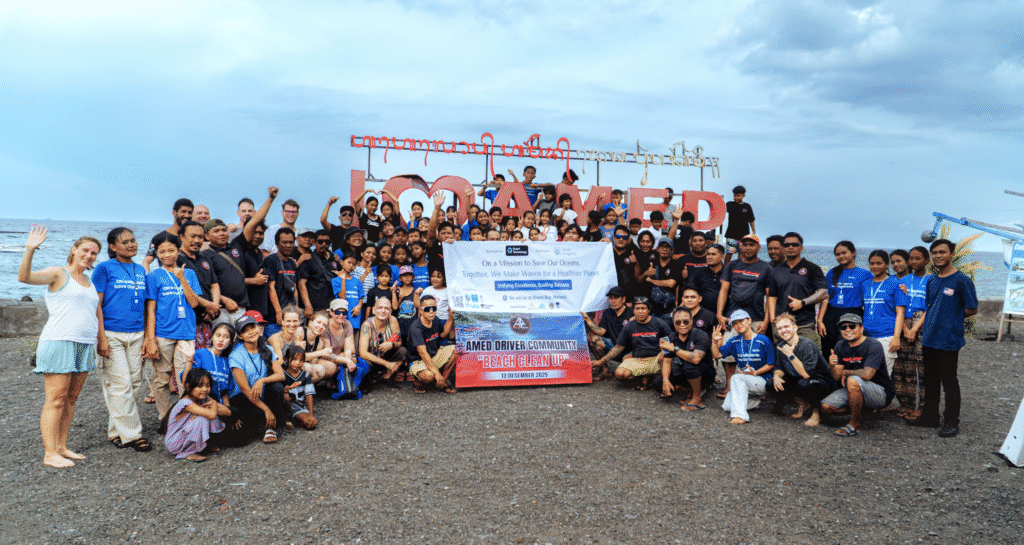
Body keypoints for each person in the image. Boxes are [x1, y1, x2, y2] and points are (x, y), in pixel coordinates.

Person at [19, 226, 102, 468]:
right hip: (59, 341)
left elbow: (93, 311)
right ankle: (49, 453)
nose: (89, 255)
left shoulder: (88, 280)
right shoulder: (58, 273)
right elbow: (24, 278)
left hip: (84, 344)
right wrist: (30, 249)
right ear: (74, 250)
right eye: (85, 250)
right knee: (55, 399)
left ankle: (61, 447)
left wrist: (101, 339)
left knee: (71, 399)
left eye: (94, 253)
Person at [907, 239, 978, 438]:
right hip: (929, 337)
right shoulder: (932, 280)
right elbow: (930, 307)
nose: (938, 256)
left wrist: (951, 318)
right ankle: (930, 417)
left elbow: (972, 308)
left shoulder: (961, 280)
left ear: (952, 254)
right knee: (930, 380)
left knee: (949, 380)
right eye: (935, 252)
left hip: (948, 339)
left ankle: (951, 421)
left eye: (942, 252)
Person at [93, 227, 152, 452]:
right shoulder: (104, 268)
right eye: (125, 242)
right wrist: (101, 338)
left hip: (136, 333)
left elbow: (146, 305)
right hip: (111, 333)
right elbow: (96, 305)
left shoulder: (140, 269)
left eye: (133, 240)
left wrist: (148, 337)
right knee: (121, 385)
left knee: (134, 384)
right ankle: (133, 435)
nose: (131, 245)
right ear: (112, 247)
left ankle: (115, 431)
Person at [144, 232, 202, 423]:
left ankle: (186, 415)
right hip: (163, 333)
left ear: (178, 251)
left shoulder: (190, 274)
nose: (166, 255)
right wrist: (151, 339)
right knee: (161, 379)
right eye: (162, 252)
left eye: (171, 250)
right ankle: (164, 417)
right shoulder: (154, 276)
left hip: (186, 333)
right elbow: (151, 310)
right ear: (157, 254)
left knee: (185, 378)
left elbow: (194, 303)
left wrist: (182, 279)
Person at [822, 313, 896, 437]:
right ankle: (866, 412)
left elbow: (867, 374)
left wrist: (846, 372)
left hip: (880, 392)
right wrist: (832, 366)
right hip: (854, 389)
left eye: (852, 326)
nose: (848, 330)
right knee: (826, 407)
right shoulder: (840, 345)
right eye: (843, 327)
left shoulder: (873, 345)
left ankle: (854, 424)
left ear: (861, 328)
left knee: (852, 380)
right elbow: (836, 377)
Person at [228, 314, 286, 444]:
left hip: (261, 393)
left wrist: (261, 380)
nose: (251, 332)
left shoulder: (268, 348)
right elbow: (245, 389)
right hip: (242, 397)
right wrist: (266, 409)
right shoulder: (236, 355)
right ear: (240, 336)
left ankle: (270, 428)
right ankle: (267, 418)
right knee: (243, 438)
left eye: (253, 327)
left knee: (277, 387)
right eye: (245, 330)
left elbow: (281, 375)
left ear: (258, 328)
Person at [770, 313, 835, 426]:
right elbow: (779, 368)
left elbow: (806, 374)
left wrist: (790, 355)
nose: (783, 330)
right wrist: (776, 376)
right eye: (780, 328)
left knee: (805, 383)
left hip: (820, 382)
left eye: (786, 326)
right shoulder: (781, 346)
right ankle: (802, 403)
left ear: (795, 328)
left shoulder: (807, 345)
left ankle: (817, 412)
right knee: (771, 384)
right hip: (799, 379)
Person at [591, 297, 672, 387]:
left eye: (643, 308)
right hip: (638, 360)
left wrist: (663, 350)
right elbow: (618, 347)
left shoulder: (659, 323)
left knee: (665, 353)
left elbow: (672, 340)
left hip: (657, 359)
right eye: (637, 309)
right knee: (619, 374)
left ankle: (657, 378)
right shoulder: (629, 326)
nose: (640, 311)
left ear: (649, 310)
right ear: (633, 311)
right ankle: (646, 378)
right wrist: (600, 362)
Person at [712, 310, 775, 424]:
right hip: (747, 381)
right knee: (727, 406)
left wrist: (754, 373)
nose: (738, 325)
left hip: (764, 380)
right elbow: (716, 355)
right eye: (735, 323)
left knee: (736, 378)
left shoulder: (763, 340)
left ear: (749, 320)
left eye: (741, 321)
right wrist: (714, 342)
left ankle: (740, 416)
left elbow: (771, 364)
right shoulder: (734, 342)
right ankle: (754, 401)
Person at [767, 232, 827, 346]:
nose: (790, 247)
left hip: (804, 324)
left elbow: (823, 293)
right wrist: (773, 320)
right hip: (782, 325)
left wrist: (803, 302)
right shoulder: (776, 271)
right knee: (783, 355)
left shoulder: (812, 268)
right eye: (787, 245)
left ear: (801, 248)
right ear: (783, 248)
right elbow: (772, 296)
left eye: (794, 244)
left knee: (808, 354)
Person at [893, 246, 931, 419]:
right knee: (903, 366)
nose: (914, 262)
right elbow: (898, 307)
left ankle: (921, 406)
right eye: (911, 258)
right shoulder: (904, 280)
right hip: (904, 322)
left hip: (922, 322)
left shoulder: (932, 280)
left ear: (927, 260)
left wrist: (914, 329)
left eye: (918, 258)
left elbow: (930, 307)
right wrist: (906, 329)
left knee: (921, 366)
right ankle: (905, 403)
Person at [163, 369, 231, 462]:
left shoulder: (203, 398)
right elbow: (212, 415)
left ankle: (204, 446)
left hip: (184, 436)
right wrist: (214, 404)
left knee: (209, 415)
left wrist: (212, 406)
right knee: (202, 418)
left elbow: (227, 412)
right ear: (188, 387)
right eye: (200, 386)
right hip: (175, 443)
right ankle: (188, 453)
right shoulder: (185, 402)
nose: (205, 389)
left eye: (207, 385)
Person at [816, 242, 872, 354]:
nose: (841, 256)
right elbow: (826, 297)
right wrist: (820, 320)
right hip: (831, 314)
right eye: (838, 254)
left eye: (844, 253)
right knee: (828, 349)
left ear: (853, 253)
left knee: (848, 349)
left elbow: (870, 298)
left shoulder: (865, 274)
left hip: (853, 314)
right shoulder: (832, 272)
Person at [860, 250, 907, 378]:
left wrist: (896, 337)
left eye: (879, 263)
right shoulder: (865, 285)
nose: (875, 266)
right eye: (872, 263)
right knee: (867, 376)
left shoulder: (896, 284)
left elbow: (900, 312)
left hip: (887, 337)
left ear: (887, 264)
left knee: (883, 376)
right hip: (867, 337)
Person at [657, 306, 712, 411]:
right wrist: (665, 380)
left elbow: (695, 359)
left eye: (686, 322)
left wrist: (674, 349)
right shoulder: (670, 338)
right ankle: (688, 389)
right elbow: (667, 361)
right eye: (678, 322)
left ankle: (697, 399)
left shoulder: (701, 335)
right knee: (658, 383)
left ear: (691, 321)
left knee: (688, 363)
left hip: (704, 374)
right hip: (683, 372)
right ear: (673, 323)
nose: (682, 325)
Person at [177, 220, 221, 348]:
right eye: (193, 236)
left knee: (205, 356)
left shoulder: (204, 258)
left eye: (200, 237)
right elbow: (186, 291)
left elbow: (214, 285)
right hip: (188, 319)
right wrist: (210, 306)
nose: (197, 240)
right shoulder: (177, 259)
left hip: (208, 319)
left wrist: (214, 307)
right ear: (181, 237)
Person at [717, 234, 771, 334]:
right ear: (741, 247)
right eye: (745, 245)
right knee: (730, 344)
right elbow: (723, 290)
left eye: (751, 245)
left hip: (756, 319)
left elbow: (769, 296)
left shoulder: (766, 267)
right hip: (733, 318)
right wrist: (719, 315)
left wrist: (766, 321)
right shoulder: (732, 265)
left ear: (759, 248)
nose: (748, 248)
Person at [409, 295, 458, 394]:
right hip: (418, 361)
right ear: (421, 311)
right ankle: (417, 382)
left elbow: (443, 335)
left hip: (433, 355)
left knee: (457, 350)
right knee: (429, 376)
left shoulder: (435, 320)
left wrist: (450, 317)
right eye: (427, 309)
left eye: (434, 308)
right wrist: (437, 374)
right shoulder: (416, 328)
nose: (431, 312)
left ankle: (443, 382)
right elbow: (423, 353)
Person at [581, 287, 634, 377]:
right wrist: (587, 320)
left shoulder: (632, 312)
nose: (613, 301)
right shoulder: (608, 313)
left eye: (616, 298)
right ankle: (605, 370)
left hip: (630, 352)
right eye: (610, 298)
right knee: (594, 339)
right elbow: (601, 332)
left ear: (623, 299)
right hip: (614, 348)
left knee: (622, 374)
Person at [182, 322, 236, 407]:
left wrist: (228, 410)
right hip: (197, 402)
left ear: (230, 342)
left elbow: (224, 393)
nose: (221, 340)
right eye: (218, 335)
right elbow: (186, 382)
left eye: (226, 337)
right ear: (211, 337)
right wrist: (189, 360)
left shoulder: (227, 362)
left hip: (216, 405)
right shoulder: (199, 354)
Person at [325, 299, 368, 399]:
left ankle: (342, 384)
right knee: (333, 366)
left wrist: (348, 358)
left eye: (344, 313)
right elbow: (326, 353)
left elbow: (350, 348)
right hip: (324, 356)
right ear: (331, 312)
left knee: (353, 359)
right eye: (337, 312)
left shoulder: (347, 324)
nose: (341, 315)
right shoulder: (325, 325)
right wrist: (346, 361)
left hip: (339, 355)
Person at [359, 297, 408, 383]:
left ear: (390, 311)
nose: (383, 311)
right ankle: (371, 376)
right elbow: (362, 353)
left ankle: (387, 375)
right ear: (374, 310)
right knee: (364, 362)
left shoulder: (392, 320)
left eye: (386, 308)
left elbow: (399, 342)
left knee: (403, 351)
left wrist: (391, 345)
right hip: (372, 359)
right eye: (380, 308)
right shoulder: (367, 325)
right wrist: (386, 364)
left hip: (386, 356)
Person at [298, 229, 342, 319]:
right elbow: (301, 284)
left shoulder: (334, 259)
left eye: (327, 242)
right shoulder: (308, 259)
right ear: (314, 242)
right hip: (315, 308)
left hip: (332, 308)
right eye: (320, 241)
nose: (324, 244)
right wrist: (307, 305)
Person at [142, 198, 193, 272]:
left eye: (190, 212)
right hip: (168, 276)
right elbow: (147, 260)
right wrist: (146, 275)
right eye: (183, 212)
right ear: (174, 212)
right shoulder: (159, 237)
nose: (187, 215)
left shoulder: (193, 238)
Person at [264, 227, 297, 333]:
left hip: (290, 316)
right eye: (284, 242)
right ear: (277, 244)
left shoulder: (292, 263)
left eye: (291, 242)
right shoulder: (271, 260)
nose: (288, 245)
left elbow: (295, 288)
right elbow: (271, 287)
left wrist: (296, 310)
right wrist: (278, 312)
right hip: (274, 317)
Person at [644, 236, 681, 320]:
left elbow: (671, 283)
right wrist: (646, 273)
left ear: (672, 250)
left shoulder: (676, 264)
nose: (664, 249)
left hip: (669, 309)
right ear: (657, 249)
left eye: (667, 247)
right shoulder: (651, 263)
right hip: (651, 309)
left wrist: (651, 280)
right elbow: (640, 280)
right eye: (662, 246)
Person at [281, 346, 318, 430]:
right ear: (286, 359)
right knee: (285, 397)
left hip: (299, 408)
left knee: (311, 423)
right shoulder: (283, 376)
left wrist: (311, 415)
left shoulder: (305, 375)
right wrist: (285, 391)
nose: (298, 363)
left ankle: (298, 420)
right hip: (286, 407)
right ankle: (286, 418)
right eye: (294, 359)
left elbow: (309, 395)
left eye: (301, 360)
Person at [332, 253, 365, 332]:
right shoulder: (335, 280)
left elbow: (360, 297)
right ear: (342, 262)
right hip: (342, 317)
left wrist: (359, 307)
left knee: (354, 337)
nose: (351, 266)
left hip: (355, 317)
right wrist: (343, 279)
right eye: (349, 262)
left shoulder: (357, 281)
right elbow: (342, 297)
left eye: (353, 264)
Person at [689, 243, 725, 313]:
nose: (709, 257)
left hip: (724, 314)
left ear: (722, 257)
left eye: (713, 254)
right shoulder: (699, 272)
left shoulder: (728, 273)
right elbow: (690, 291)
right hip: (702, 314)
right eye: (708, 254)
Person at [724, 185, 755, 259]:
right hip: (731, 235)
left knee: (741, 255)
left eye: (738, 196)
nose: (736, 198)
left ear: (743, 195)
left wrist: (754, 232)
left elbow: (751, 220)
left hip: (744, 236)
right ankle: (725, 267)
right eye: (734, 196)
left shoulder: (747, 206)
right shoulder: (729, 204)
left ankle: (739, 267)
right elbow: (721, 211)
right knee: (729, 254)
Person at [420, 269, 452, 341]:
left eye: (438, 277)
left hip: (442, 320)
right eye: (433, 276)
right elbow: (419, 304)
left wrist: (450, 320)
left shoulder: (448, 291)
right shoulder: (427, 290)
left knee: (442, 341)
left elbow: (451, 308)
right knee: (430, 341)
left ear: (444, 280)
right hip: (429, 319)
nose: (435, 279)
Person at [611, 225, 641, 298]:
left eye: (624, 237)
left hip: (626, 296)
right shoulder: (607, 253)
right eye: (618, 236)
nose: (621, 239)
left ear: (628, 240)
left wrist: (636, 263)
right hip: (609, 295)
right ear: (614, 238)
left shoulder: (632, 254)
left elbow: (637, 278)